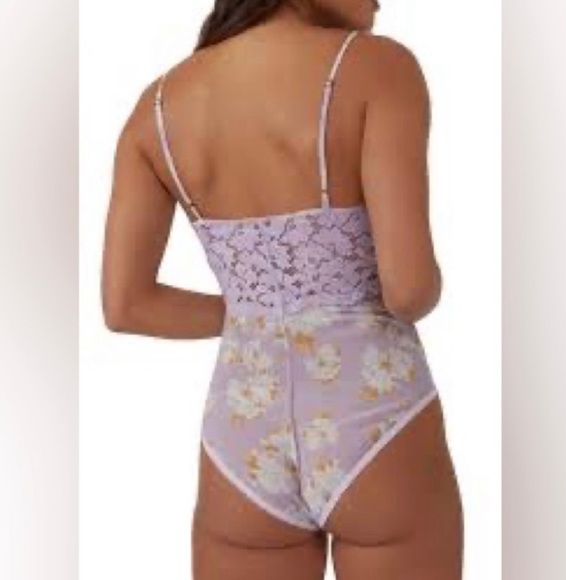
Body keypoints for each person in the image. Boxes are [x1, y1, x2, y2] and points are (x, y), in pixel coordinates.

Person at [101, 1, 463, 578]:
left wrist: (258, 311)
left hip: (241, 437)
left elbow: (127, 306)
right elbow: (409, 290)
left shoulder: (159, 106)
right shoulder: (377, 67)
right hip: (377, 422)